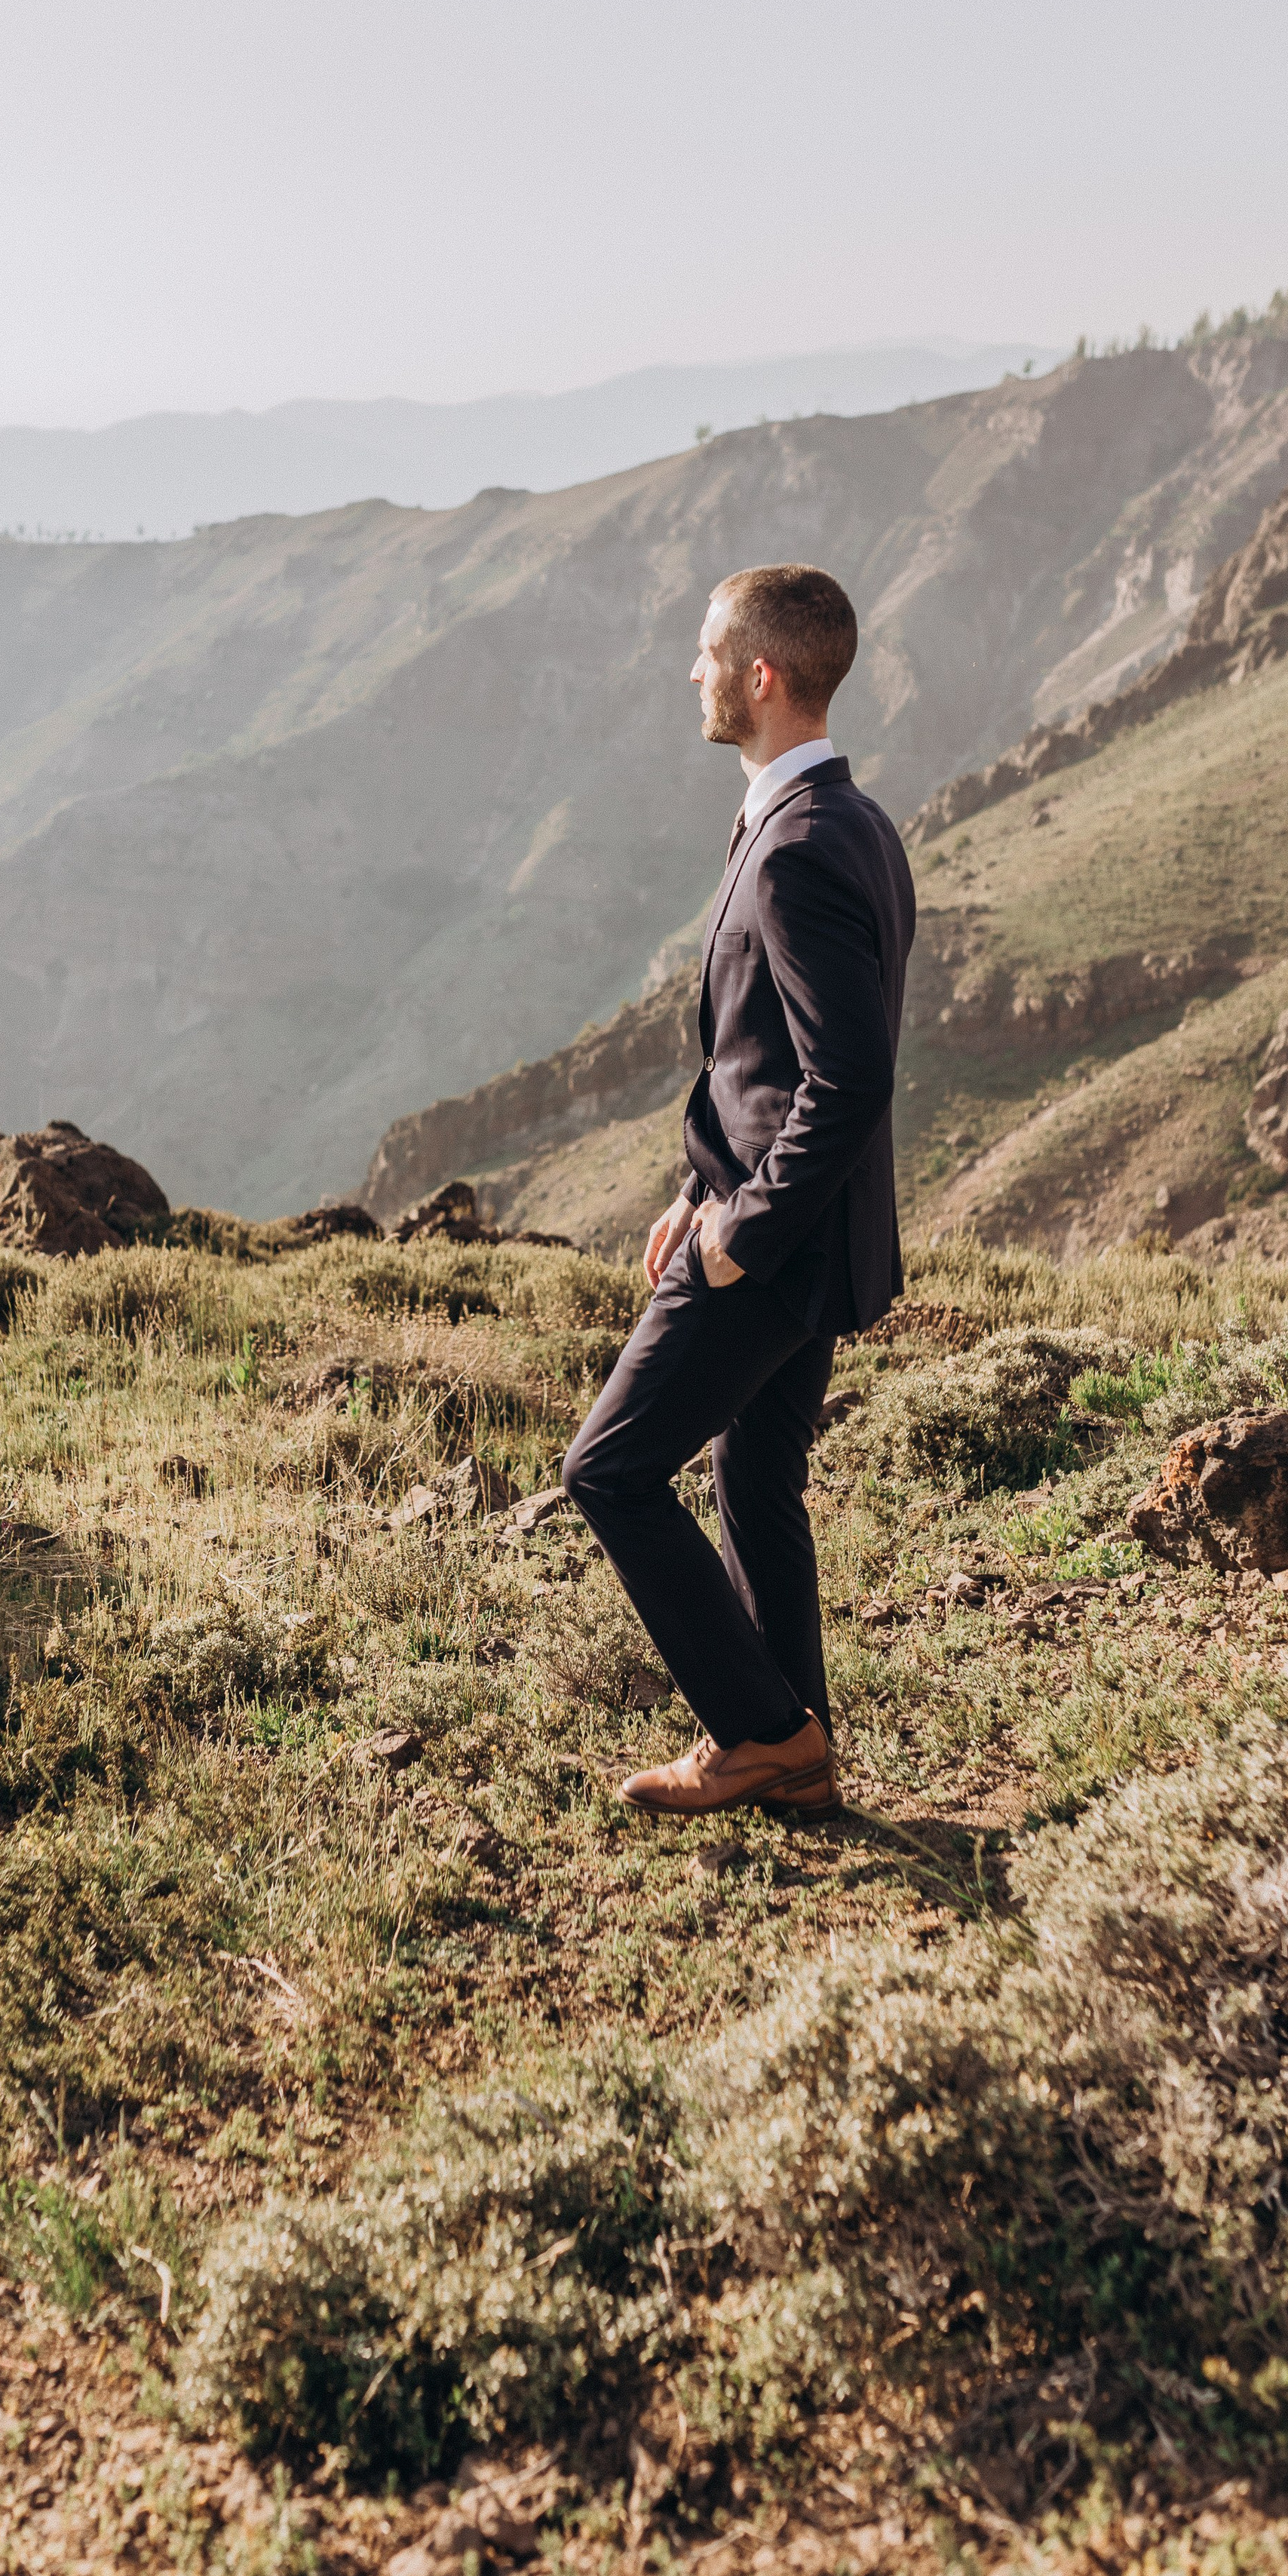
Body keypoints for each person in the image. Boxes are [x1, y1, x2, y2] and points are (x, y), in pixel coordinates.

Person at [560, 563, 914, 1818]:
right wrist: (690, 1182)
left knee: (605, 1470)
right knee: (754, 1479)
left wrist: (736, 1233)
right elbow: (758, 1054)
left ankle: (758, 1728)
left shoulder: (799, 847)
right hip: (799, 1234)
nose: (693, 673)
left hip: (776, 1251)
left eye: (708, 654)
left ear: (760, 676)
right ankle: (794, 1743)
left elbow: (850, 1076)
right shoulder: (848, 819)